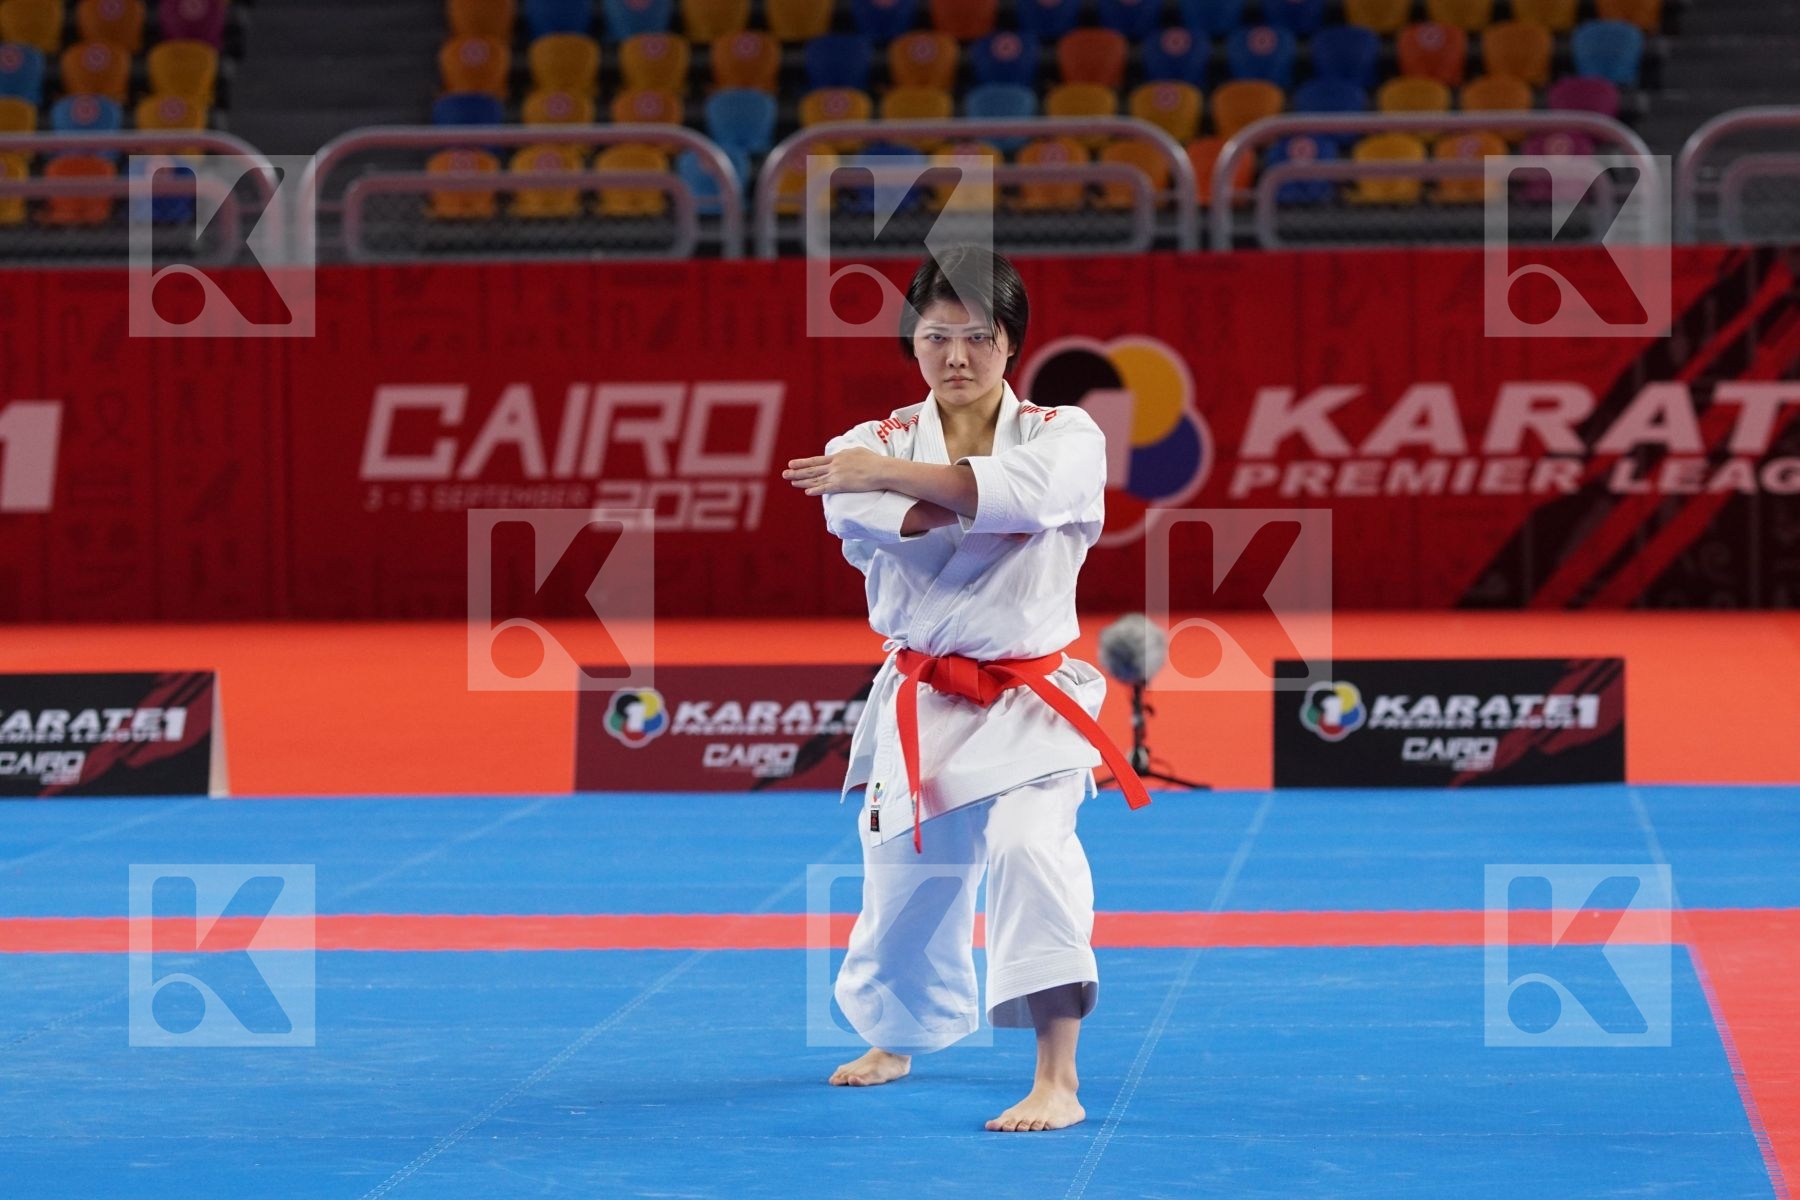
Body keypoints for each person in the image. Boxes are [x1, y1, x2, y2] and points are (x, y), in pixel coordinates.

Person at [782, 246, 1148, 1133]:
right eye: (935, 337)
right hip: (924, 697)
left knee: (1031, 853)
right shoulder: (867, 442)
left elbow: (1025, 496)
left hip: (1032, 698)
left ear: (1011, 342)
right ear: (912, 343)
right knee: (904, 883)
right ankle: (897, 1035)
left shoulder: (1066, 434)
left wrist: (900, 479)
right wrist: (939, 488)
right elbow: (887, 510)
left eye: (978, 336)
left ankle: (1057, 1078)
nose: (956, 356)